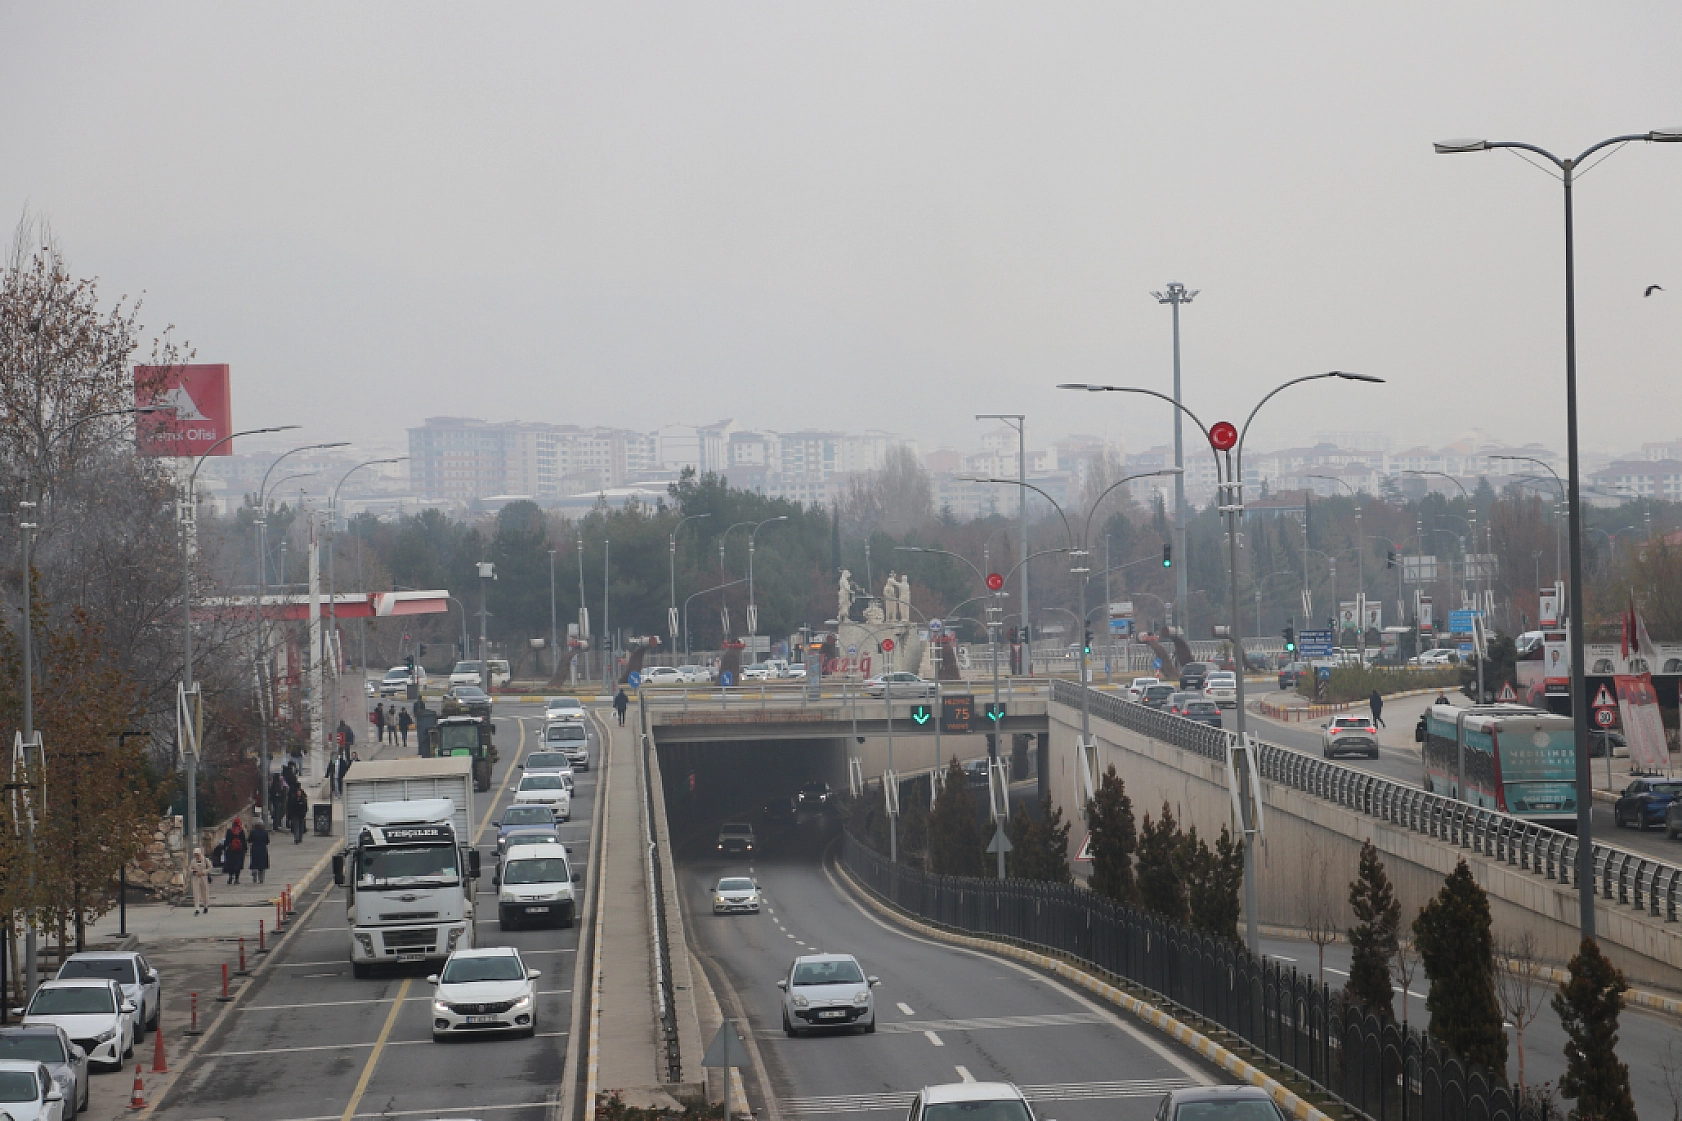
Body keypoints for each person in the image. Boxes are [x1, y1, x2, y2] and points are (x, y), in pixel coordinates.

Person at [222, 817, 248, 885]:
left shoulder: (229, 831)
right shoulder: (241, 831)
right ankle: (237, 879)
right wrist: (245, 849)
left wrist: (224, 847)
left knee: (231, 864)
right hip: (239, 850)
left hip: (231, 850)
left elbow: (227, 840)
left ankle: (230, 876)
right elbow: (244, 841)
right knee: (238, 864)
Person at [188, 847, 211, 915]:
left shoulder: (205, 860)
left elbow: (210, 867)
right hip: (196, 878)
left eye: (197, 854)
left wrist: (204, 872)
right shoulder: (193, 861)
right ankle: (197, 908)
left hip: (203, 877)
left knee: (205, 892)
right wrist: (193, 871)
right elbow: (190, 868)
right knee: (196, 893)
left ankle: (206, 905)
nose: (196, 856)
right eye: (195, 854)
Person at [248, 818, 271, 884]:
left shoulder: (253, 832)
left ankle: (254, 874)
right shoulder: (265, 832)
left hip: (254, 849)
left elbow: (249, 840)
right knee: (262, 864)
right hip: (263, 849)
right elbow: (267, 841)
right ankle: (261, 879)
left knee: (254, 862)